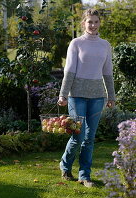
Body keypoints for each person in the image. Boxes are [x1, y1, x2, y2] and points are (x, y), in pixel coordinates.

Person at [57, 8, 115, 187]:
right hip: (77, 95)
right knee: (78, 136)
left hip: (98, 96)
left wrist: (111, 95)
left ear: (99, 23)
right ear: (84, 23)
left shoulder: (105, 45)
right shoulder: (76, 43)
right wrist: (63, 94)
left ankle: (84, 175)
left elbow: (107, 72)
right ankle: (65, 165)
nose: (93, 25)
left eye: (96, 22)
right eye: (90, 22)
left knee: (90, 138)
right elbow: (69, 71)